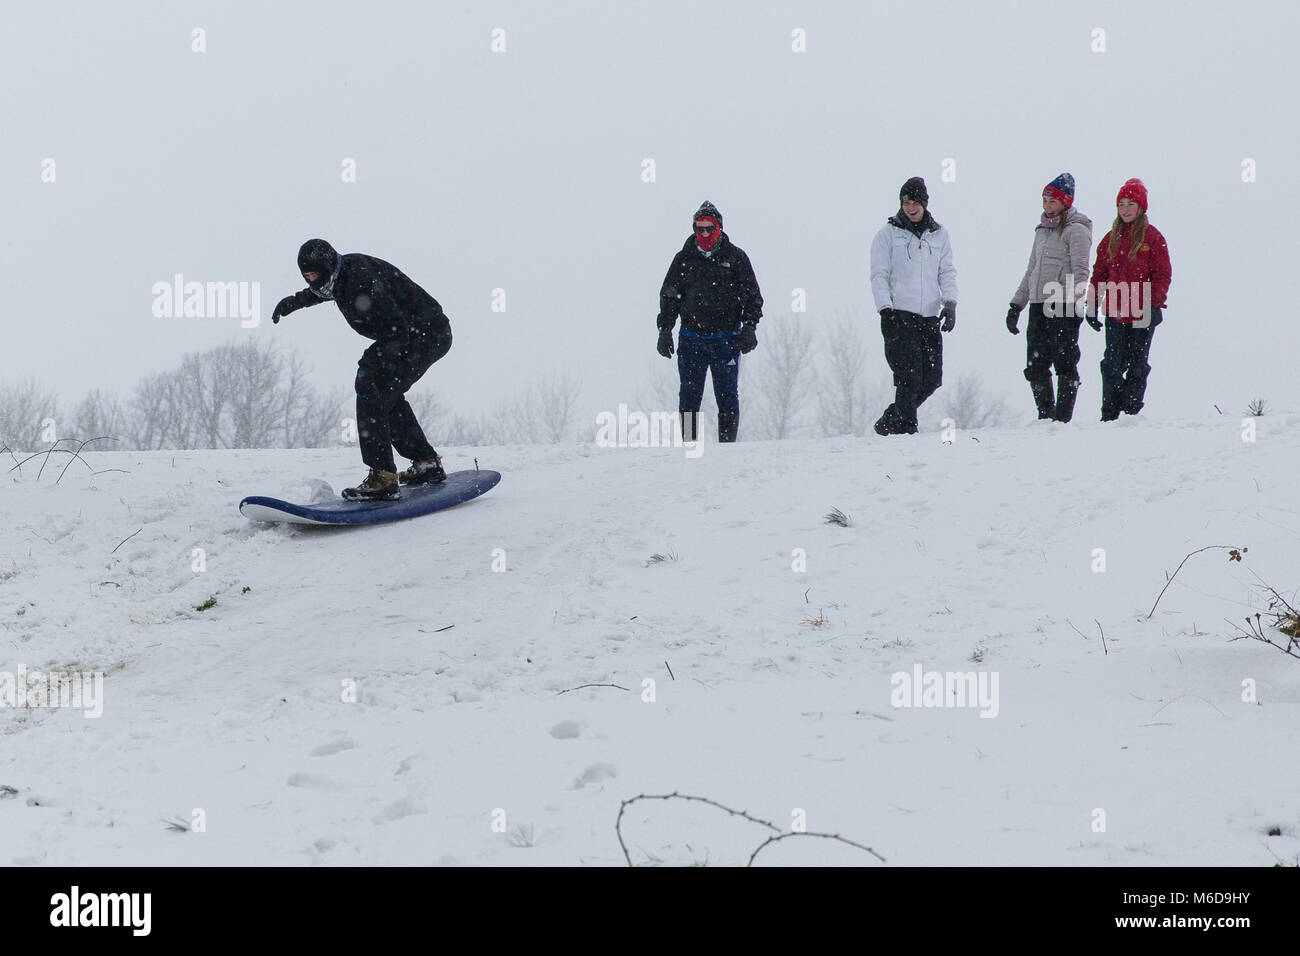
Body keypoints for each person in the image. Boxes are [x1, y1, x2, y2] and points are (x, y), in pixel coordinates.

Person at [271, 239, 453, 500]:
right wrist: (293, 302)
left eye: (314, 274)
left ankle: (382, 476)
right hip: (410, 334)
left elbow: (397, 326)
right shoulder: (337, 276)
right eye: (306, 275)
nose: (311, 280)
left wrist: (377, 361)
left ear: (327, 267)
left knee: (370, 385)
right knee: (384, 394)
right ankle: (426, 463)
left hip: (424, 334)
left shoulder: (359, 279)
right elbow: (322, 292)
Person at [656, 201, 763, 443]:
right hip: (692, 339)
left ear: (719, 229)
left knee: (727, 395)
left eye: (709, 228)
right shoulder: (684, 259)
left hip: (726, 339)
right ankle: (690, 446)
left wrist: (749, 326)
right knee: (689, 394)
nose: (704, 234)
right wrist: (665, 329)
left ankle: (726, 449)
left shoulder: (736, 258)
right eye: (699, 228)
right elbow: (669, 296)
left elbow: (752, 296)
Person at [870, 177, 958, 435]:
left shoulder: (940, 234)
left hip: (929, 315)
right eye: (906, 202)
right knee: (909, 376)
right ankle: (907, 430)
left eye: (915, 202)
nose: (910, 207)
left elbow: (947, 271)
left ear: (925, 203)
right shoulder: (887, 234)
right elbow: (879, 275)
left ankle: (891, 419)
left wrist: (950, 303)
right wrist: (885, 309)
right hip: (899, 315)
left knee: (931, 379)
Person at [1005, 173, 1094, 422]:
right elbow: (1031, 269)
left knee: (1064, 361)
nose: (1047, 206)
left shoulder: (1076, 230)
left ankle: (1062, 419)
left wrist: (1076, 303)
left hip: (1062, 303)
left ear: (1065, 202)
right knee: (1035, 364)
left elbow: (1081, 270)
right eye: (1044, 200)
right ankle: (1045, 416)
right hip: (1037, 303)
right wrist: (1016, 304)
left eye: (1052, 201)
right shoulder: (1041, 231)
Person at [1086, 179, 1172, 420]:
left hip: (1142, 311)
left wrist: (1155, 304)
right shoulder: (1110, 239)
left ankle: (1131, 413)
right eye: (1121, 204)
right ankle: (1109, 414)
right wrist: (1092, 304)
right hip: (1115, 311)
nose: (1125, 209)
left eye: (1130, 204)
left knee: (1137, 363)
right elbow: (1099, 273)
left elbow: (1162, 274)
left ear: (1141, 207)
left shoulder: (1153, 238)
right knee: (1112, 363)